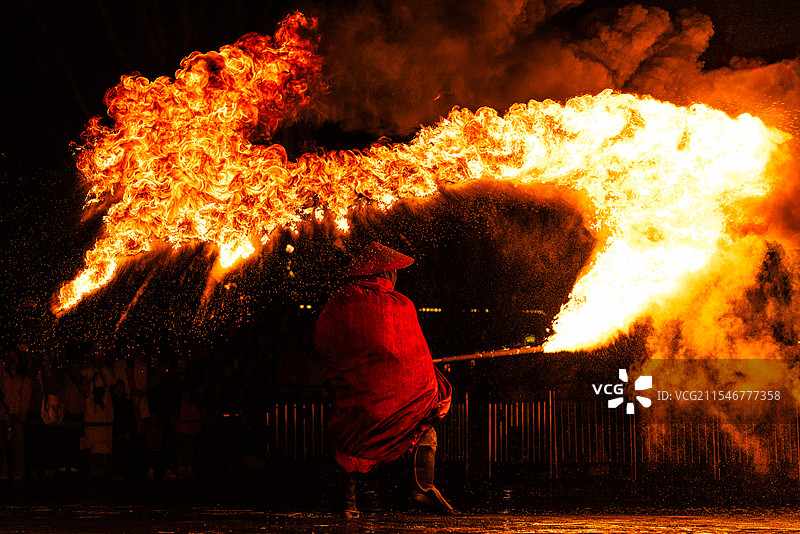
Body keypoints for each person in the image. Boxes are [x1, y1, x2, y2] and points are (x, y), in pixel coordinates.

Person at [314, 241, 453, 518]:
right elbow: (408, 351)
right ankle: (422, 487)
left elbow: (324, 343)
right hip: (391, 396)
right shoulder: (400, 303)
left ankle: (347, 501)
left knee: (349, 436)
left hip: (358, 396)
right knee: (425, 413)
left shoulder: (339, 300)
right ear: (385, 273)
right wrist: (418, 367)